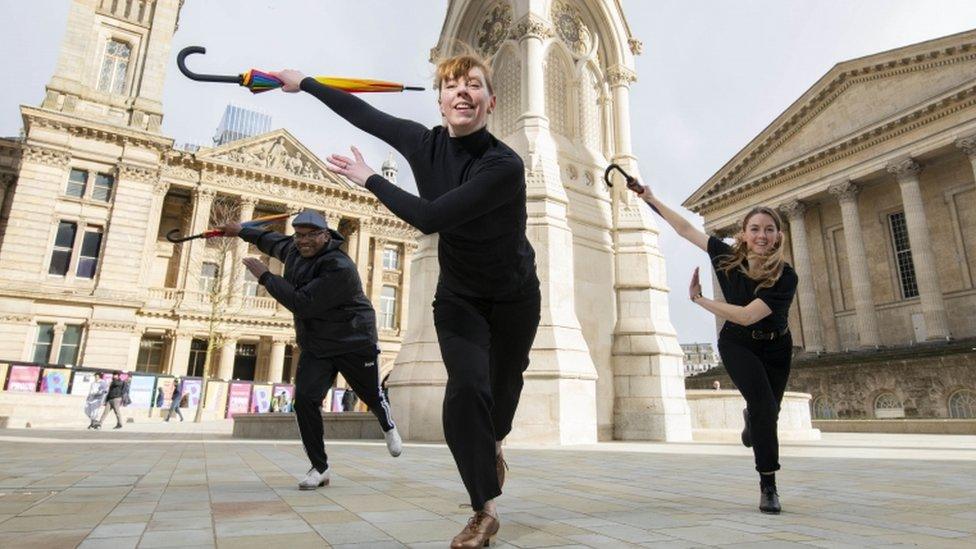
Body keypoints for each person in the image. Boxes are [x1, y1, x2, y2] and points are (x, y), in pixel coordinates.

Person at [272, 50, 540, 547]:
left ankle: (495, 441)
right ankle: (484, 509)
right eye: (453, 85)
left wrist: (368, 177)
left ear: (490, 101)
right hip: (460, 295)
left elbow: (433, 217)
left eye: (474, 85)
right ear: (440, 101)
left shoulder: (504, 165)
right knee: (464, 391)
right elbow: (365, 114)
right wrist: (304, 82)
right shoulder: (424, 142)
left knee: (502, 395)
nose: (463, 92)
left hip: (514, 297)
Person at [633, 181, 797, 515]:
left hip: (776, 348)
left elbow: (749, 315)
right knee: (765, 406)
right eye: (755, 229)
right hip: (737, 344)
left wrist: (699, 300)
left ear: (778, 236)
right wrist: (651, 199)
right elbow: (685, 229)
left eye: (769, 230)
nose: (762, 236)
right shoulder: (726, 256)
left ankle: (752, 420)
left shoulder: (785, 276)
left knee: (767, 413)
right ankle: (769, 485)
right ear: (744, 233)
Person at [220, 210, 402, 491]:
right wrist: (240, 230)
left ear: (325, 235)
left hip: (353, 338)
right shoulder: (294, 248)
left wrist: (265, 276)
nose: (302, 241)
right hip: (318, 342)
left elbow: (302, 302)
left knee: (369, 393)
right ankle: (320, 467)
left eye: (309, 236)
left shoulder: (339, 266)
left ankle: (388, 425)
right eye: (299, 235)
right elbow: (269, 239)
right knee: (305, 399)